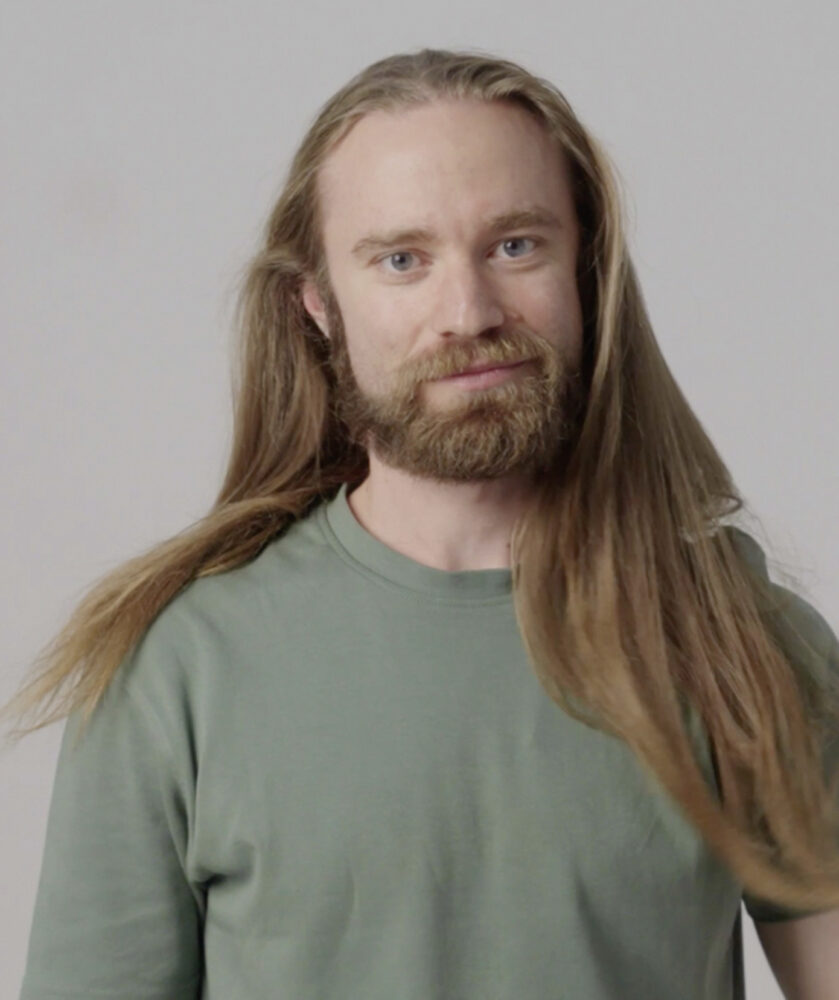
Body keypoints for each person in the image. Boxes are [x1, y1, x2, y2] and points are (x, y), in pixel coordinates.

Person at [6, 47, 839, 1000]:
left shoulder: (737, 641)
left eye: (515, 246)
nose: (468, 313)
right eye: (402, 260)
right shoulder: (173, 669)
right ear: (317, 305)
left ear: (585, 269)